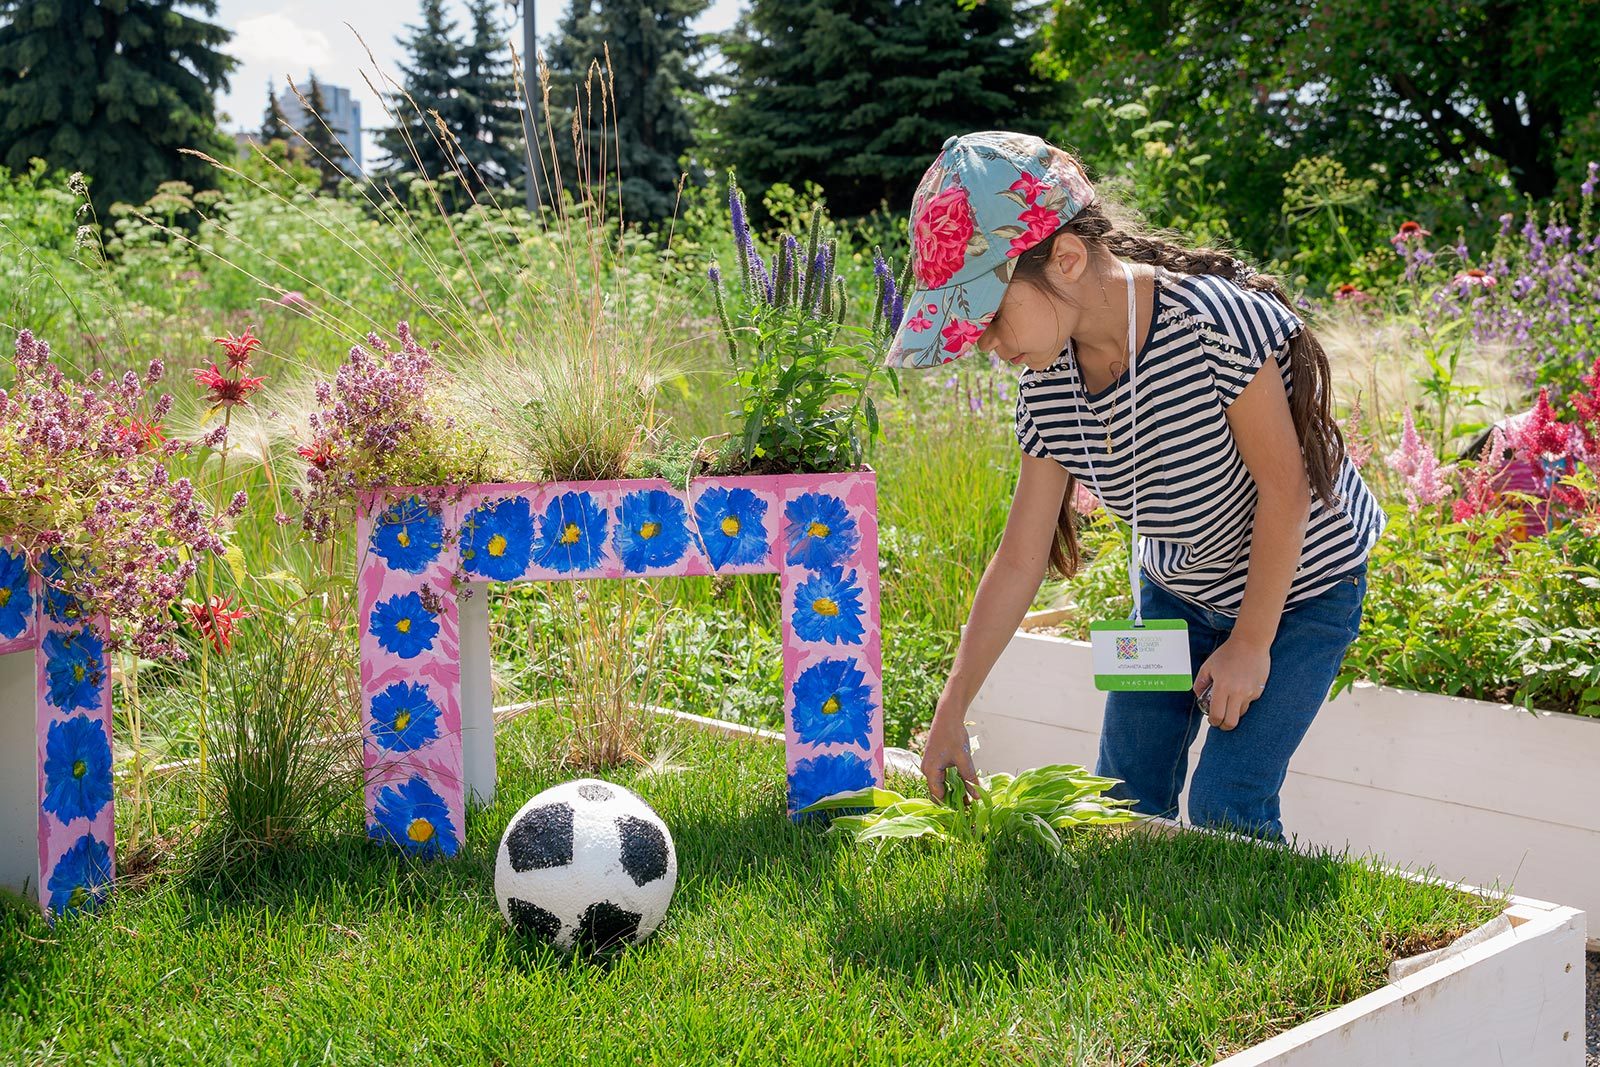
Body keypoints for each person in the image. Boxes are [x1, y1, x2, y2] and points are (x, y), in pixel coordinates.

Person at [886, 131, 1385, 841]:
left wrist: (1249, 644)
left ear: (1065, 257)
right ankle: (1138, 939)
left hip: (1303, 588)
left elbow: (1285, 488)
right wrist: (950, 707)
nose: (988, 347)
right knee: (1123, 800)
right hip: (1178, 591)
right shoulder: (1046, 386)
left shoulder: (1213, 325)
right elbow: (1021, 559)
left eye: (989, 317)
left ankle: (1250, 948)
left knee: (1226, 805)